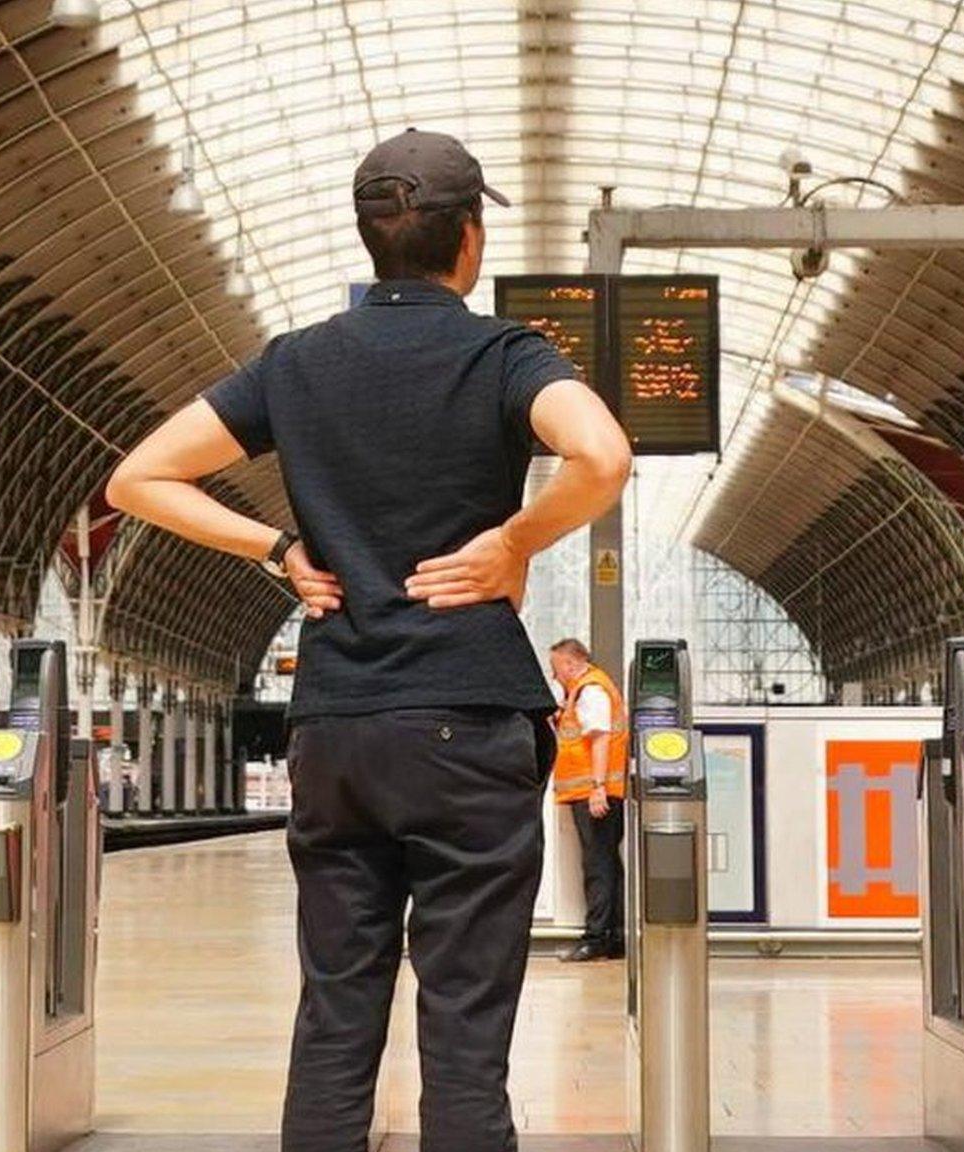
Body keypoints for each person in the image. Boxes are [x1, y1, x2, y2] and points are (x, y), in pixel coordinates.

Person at [105, 128, 631, 1152]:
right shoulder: (503, 354)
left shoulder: (295, 365)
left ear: (366, 237)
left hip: (337, 725)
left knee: (336, 1015)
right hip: (468, 721)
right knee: (465, 1027)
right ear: (468, 240)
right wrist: (512, 542)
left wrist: (275, 549)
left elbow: (139, 480)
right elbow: (601, 453)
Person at [547, 638, 628, 961]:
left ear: (571, 663)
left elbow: (599, 739)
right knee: (606, 862)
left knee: (598, 864)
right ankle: (613, 936)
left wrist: (597, 787)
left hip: (596, 793)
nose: (555, 676)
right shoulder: (582, 692)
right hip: (597, 791)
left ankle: (596, 938)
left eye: (556, 668)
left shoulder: (591, 690)